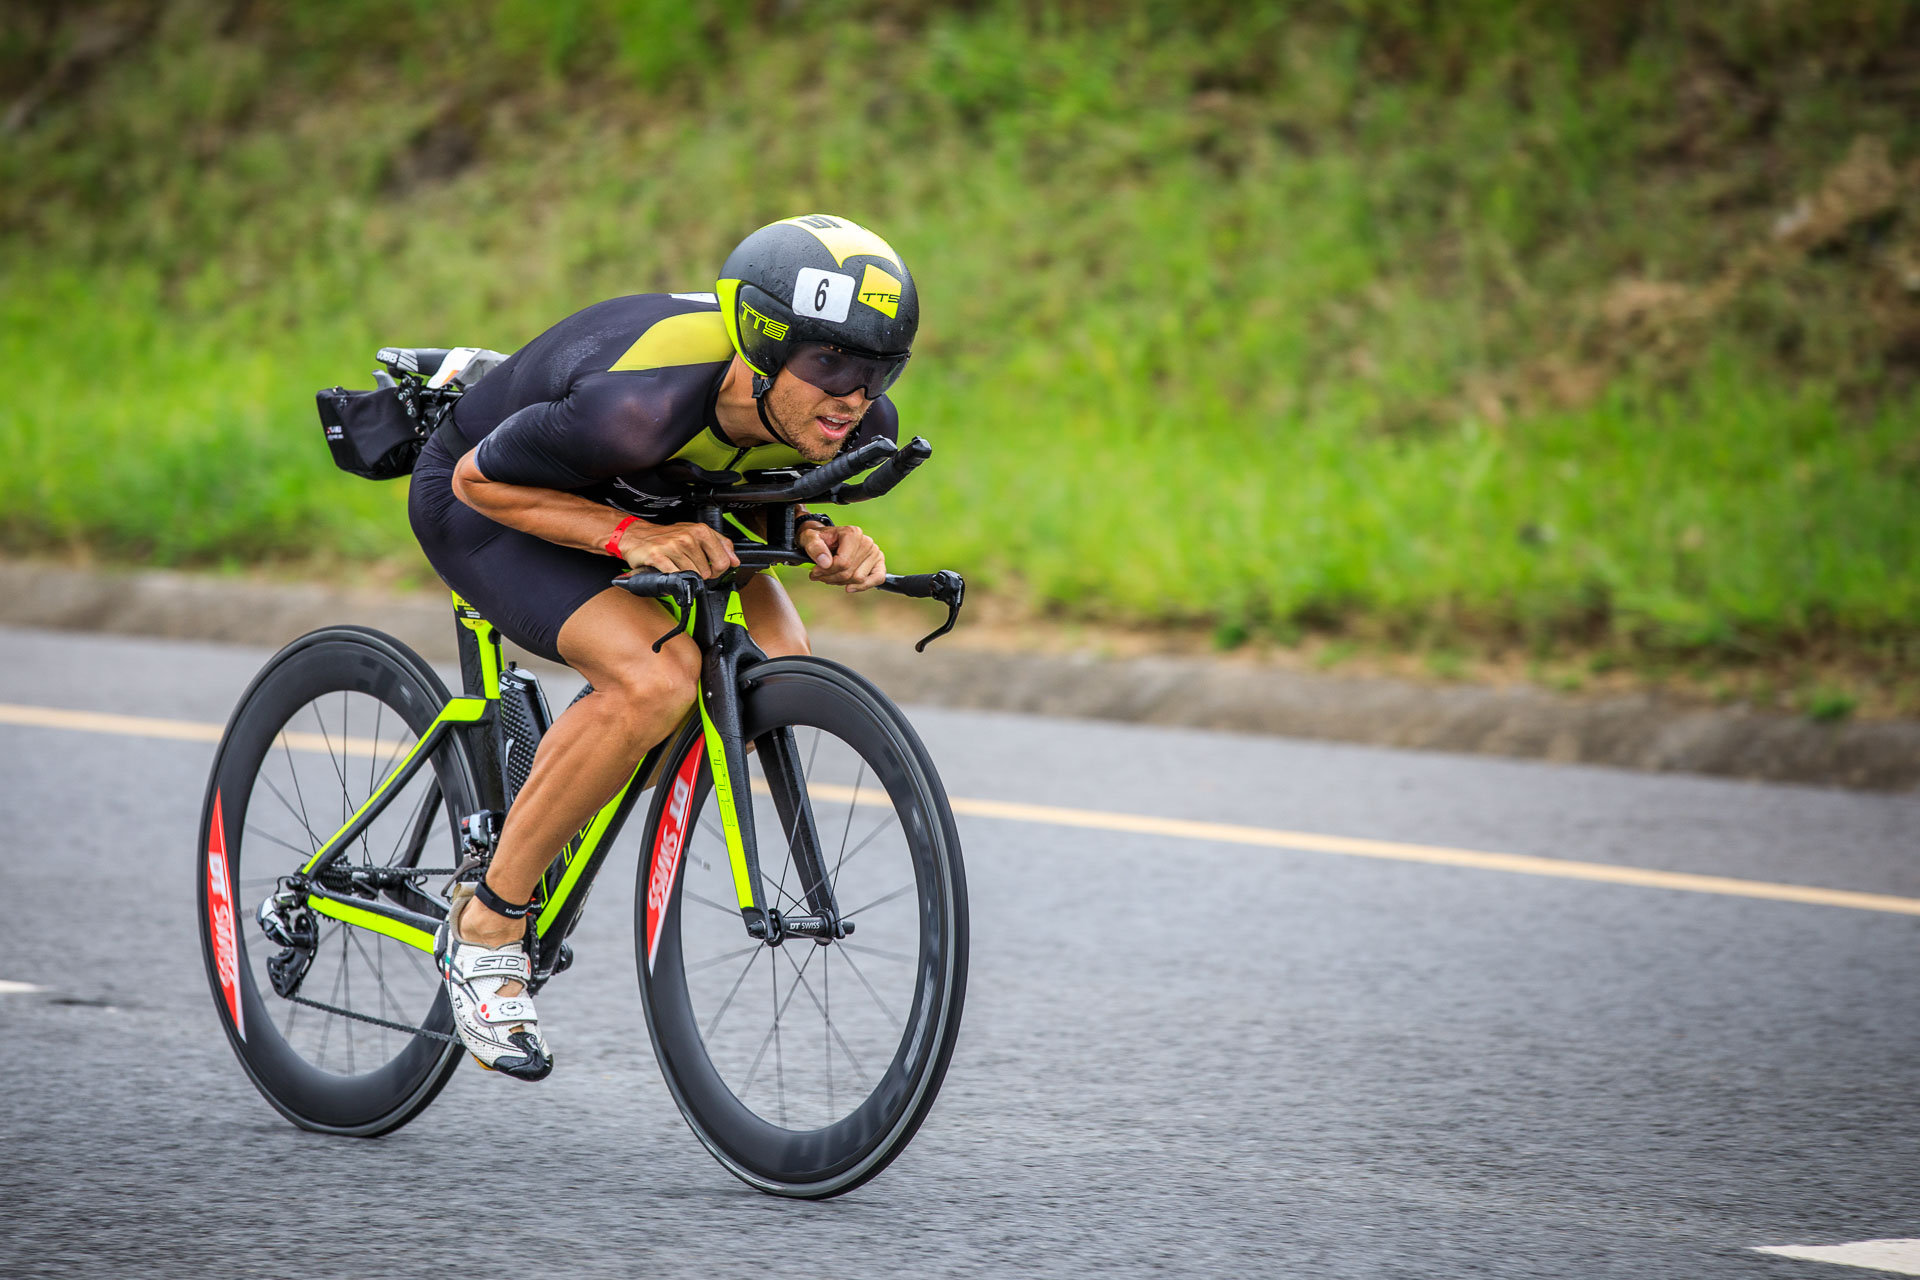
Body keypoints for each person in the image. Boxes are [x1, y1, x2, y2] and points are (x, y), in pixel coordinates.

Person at [408, 214, 920, 1079]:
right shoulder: (640, 403)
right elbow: (476, 480)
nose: (853, 398)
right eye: (831, 366)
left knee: (780, 670)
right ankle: (487, 926)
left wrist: (819, 535)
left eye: (877, 372)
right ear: (762, 346)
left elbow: (766, 484)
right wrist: (628, 538)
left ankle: (555, 791)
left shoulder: (849, 420)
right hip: (494, 498)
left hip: (660, 497)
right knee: (654, 682)